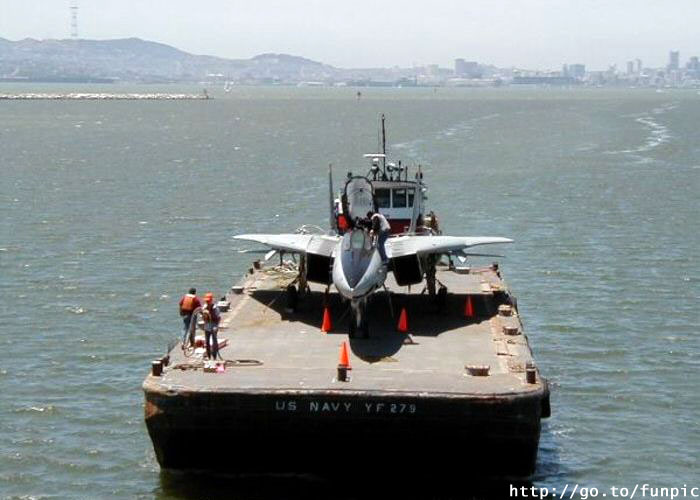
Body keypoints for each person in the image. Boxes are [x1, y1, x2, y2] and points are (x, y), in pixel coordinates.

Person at [202, 292, 221, 360]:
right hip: (207, 326)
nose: (207, 302)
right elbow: (203, 317)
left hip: (214, 326)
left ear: (211, 300)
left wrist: (216, 326)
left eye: (208, 301)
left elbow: (218, 318)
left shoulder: (215, 308)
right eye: (206, 301)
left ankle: (214, 356)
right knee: (207, 342)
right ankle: (209, 356)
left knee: (214, 341)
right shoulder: (204, 307)